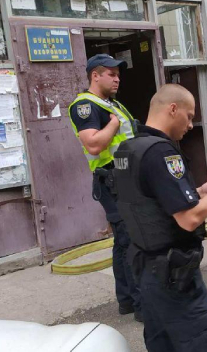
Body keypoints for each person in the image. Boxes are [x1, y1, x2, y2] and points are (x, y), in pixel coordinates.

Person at [114, 84, 207, 351]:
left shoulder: (128, 149)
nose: (191, 125)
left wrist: (199, 192)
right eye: (189, 116)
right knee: (202, 341)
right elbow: (189, 220)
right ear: (172, 109)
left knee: (162, 342)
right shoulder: (162, 152)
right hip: (174, 272)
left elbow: (151, 199)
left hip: (145, 266)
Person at [68, 53, 142, 320]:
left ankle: (127, 301)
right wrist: (112, 123)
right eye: (111, 74)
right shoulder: (85, 106)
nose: (117, 79)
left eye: (118, 75)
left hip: (125, 178)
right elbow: (94, 144)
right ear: (95, 76)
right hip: (111, 181)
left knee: (123, 242)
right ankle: (141, 305)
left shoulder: (113, 104)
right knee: (131, 240)